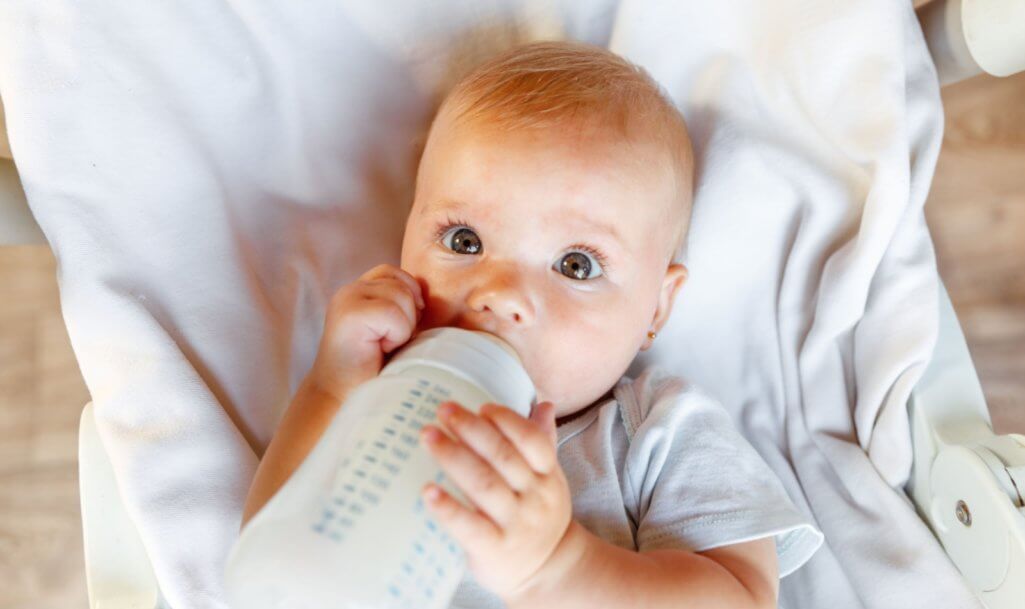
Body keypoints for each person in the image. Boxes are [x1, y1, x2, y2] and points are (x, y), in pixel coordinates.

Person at [241, 40, 821, 609]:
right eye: (463, 241)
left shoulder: (654, 432)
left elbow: (743, 594)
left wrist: (558, 568)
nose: (500, 295)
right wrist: (331, 387)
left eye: (576, 264)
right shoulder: (381, 399)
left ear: (656, 309)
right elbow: (272, 556)